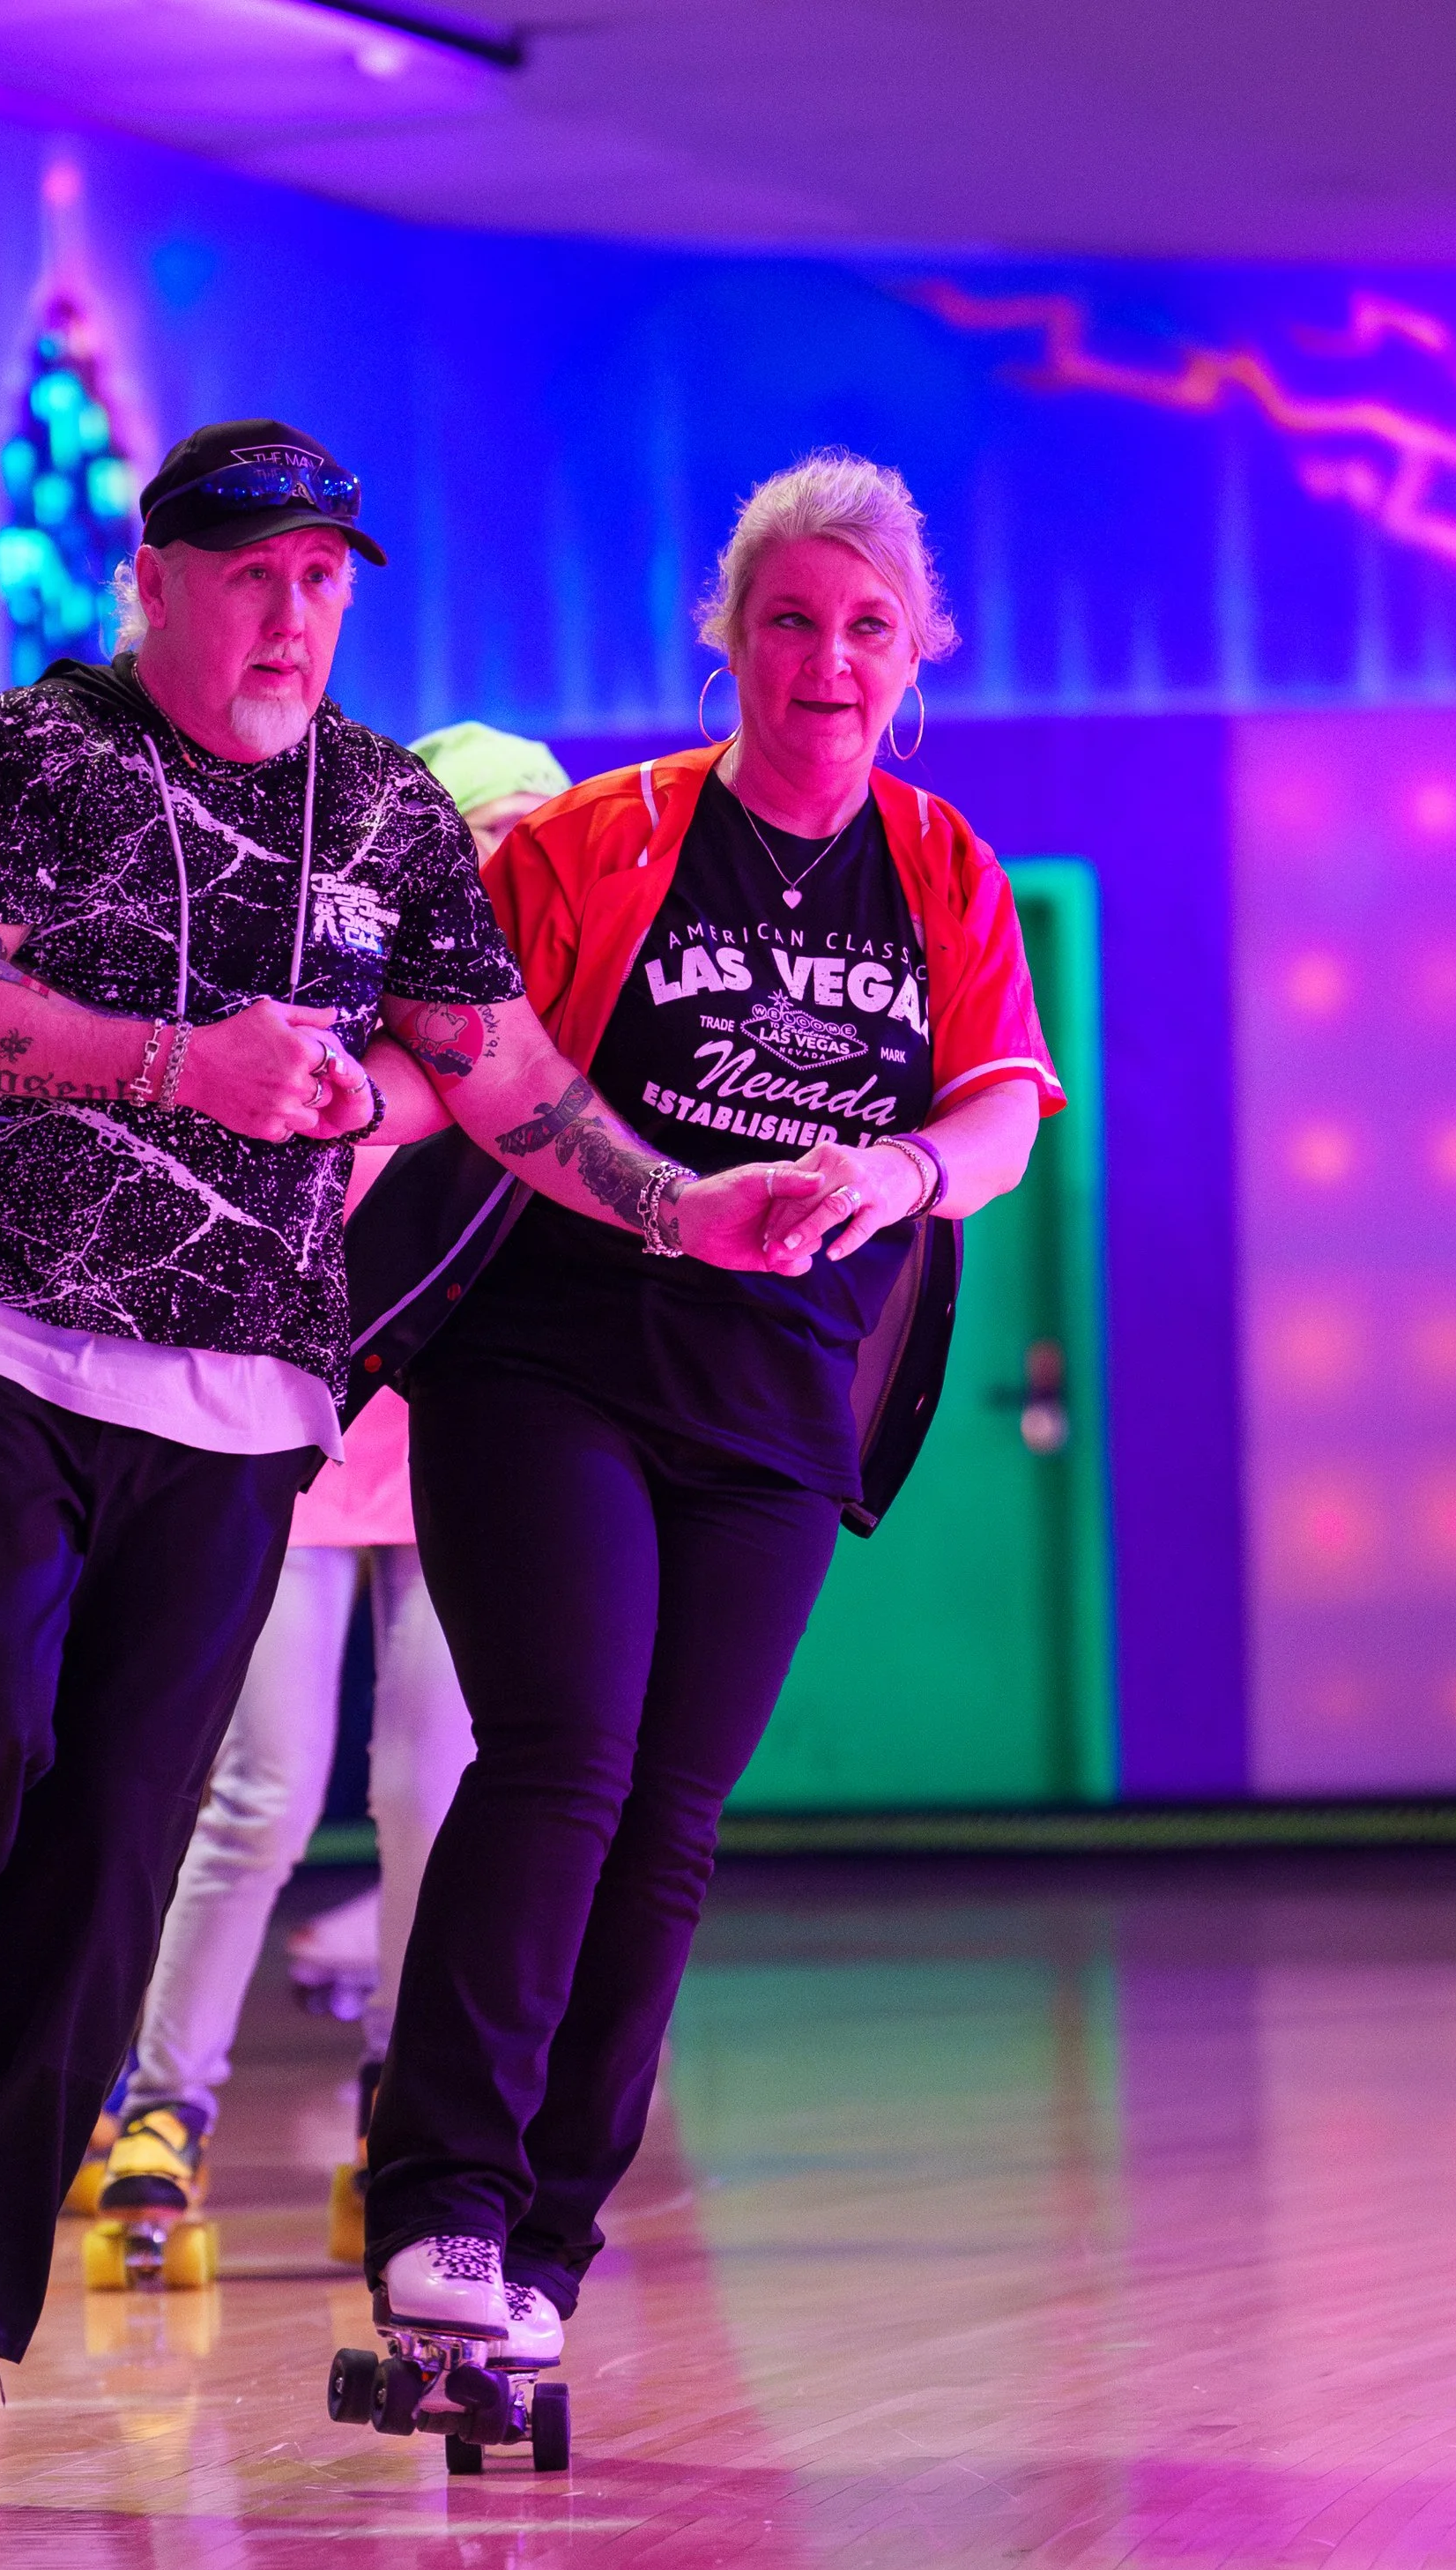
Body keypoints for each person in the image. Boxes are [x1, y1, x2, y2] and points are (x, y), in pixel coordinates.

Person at [0, 417, 799, 2440]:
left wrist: (681, 1200)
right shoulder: (33, 757)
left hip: (241, 1398)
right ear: (163, 582)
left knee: (113, 1839)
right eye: (256, 572)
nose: (294, 612)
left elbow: (503, 1073)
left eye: (324, 578)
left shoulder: (383, 818)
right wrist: (179, 1060)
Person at [360, 450, 1066, 2376]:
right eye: (786, 619)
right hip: (548, 1363)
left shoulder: (939, 866)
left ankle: (544, 2248)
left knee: (668, 1818)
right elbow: (455, 1066)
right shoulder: (588, 841)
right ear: (725, 639)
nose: (824, 657)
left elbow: (1002, 1110)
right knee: (562, 1756)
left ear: (911, 652)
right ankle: (434, 2196)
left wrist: (897, 1175)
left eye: (862, 627)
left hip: (770, 1404)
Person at [95, 727, 571, 2264]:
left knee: (438, 1796)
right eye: (481, 846)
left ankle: (404, 2104)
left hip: (461, 1455)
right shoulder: (322, 1017)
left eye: (526, 849)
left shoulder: (552, 1050)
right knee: (266, 1792)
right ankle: (162, 2106)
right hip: (298, 1438)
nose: (499, 877)